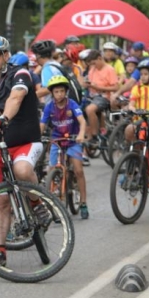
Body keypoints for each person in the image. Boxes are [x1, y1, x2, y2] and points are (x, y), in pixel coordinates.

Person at [0, 35, 49, 267]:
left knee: (22, 170)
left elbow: (16, 97)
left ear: (6, 55)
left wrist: (3, 119)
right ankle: (1, 250)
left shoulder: (20, 74)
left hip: (26, 141)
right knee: (0, 201)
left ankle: (36, 204)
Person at [40, 76, 89, 219]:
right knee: (52, 169)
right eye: (56, 91)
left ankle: (84, 203)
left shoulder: (72, 104)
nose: (59, 94)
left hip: (73, 140)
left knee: (78, 170)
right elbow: (42, 124)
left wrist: (81, 134)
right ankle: (53, 201)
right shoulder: (49, 107)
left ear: (66, 92)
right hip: (57, 140)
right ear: (52, 93)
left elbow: (82, 121)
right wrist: (37, 136)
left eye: (62, 91)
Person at [83, 49, 119, 145]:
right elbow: (89, 83)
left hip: (103, 97)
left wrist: (97, 87)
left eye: (94, 63)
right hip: (91, 96)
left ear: (100, 58)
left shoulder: (109, 70)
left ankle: (94, 135)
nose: (93, 66)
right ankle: (89, 133)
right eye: (91, 64)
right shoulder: (92, 69)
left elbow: (115, 87)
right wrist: (86, 84)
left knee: (90, 109)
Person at [124, 58, 149, 144]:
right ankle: (135, 153)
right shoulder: (137, 88)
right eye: (141, 74)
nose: (143, 76)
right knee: (130, 131)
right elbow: (132, 102)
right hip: (139, 120)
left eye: (146, 74)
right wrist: (131, 108)